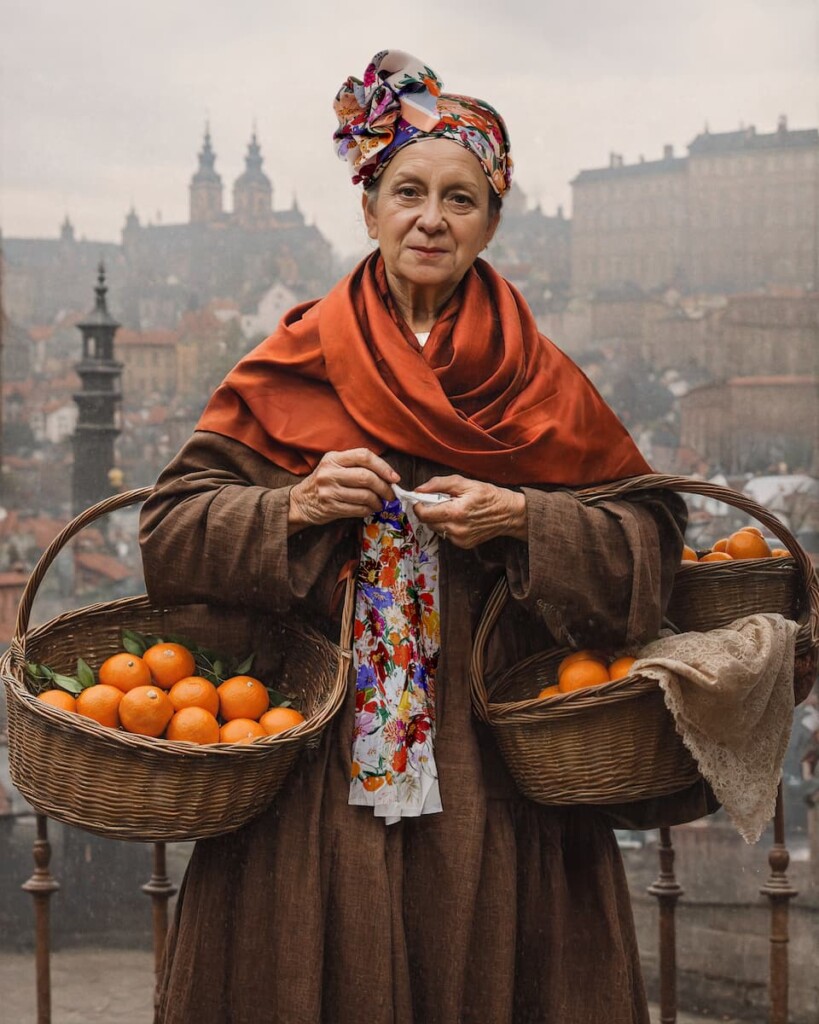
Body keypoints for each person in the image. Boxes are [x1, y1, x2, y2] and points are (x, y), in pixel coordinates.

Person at [140, 49, 698, 1024]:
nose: (431, 218)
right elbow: (172, 533)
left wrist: (528, 518)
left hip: (500, 778)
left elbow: (648, 545)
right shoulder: (295, 357)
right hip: (311, 772)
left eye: (461, 197)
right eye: (407, 191)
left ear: (491, 222)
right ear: (369, 208)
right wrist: (295, 507)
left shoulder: (541, 375)